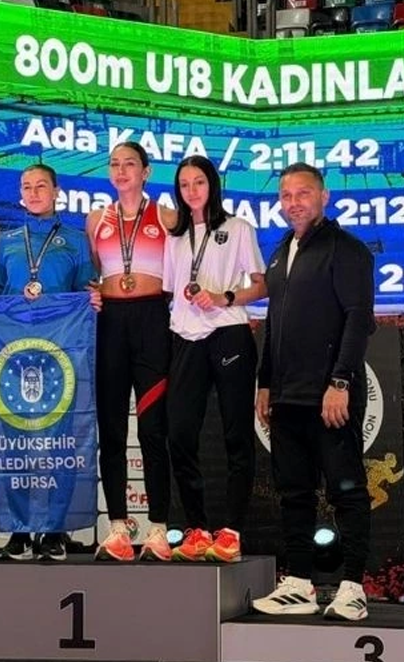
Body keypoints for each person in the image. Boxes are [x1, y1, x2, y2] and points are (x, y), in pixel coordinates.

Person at [0, 164, 102, 561]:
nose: (34, 192)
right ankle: (20, 531)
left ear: (56, 192)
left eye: (41, 186)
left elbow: (85, 294)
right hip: (13, 358)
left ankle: (55, 530)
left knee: (59, 443)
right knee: (13, 443)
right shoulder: (5, 241)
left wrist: (93, 300)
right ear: (20, 194)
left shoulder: (76, 240)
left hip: (61, 356)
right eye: (27, 187)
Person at [252, 163, 376, 620]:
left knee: (347, 489)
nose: (294, 203)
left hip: (330, 396)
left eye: (303, 193)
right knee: (294, 492)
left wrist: (339, 382)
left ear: (324, 197)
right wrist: (266, 382)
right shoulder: (280, 252)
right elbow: (274, 321)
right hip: (287, 398)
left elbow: (358, 319)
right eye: (286, 195)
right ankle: (299, 584)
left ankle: (353, 587)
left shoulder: (348, 249)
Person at [163, 156, 267, 563]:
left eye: (199, 182)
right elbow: (172, 289)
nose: (192, 191)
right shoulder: (175, 237)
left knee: (236, 435)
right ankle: (197, 528)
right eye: (184, 184)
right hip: (185, 336)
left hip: (228, 333)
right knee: (179, 434)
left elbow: (260, 286)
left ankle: (231, 531)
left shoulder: (237, 228)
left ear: (213, 185)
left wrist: (225, 297)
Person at [86, 141, 176, 562]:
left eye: (130, 164)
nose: (121, 171)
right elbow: (94, 273)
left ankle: (158, 528)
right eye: (114, 164)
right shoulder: (95, 220)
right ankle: (118, 528)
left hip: (152, 320)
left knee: (153, 429)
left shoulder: (167, 216)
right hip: (111, 324)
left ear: (146, 171)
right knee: (111, 431)